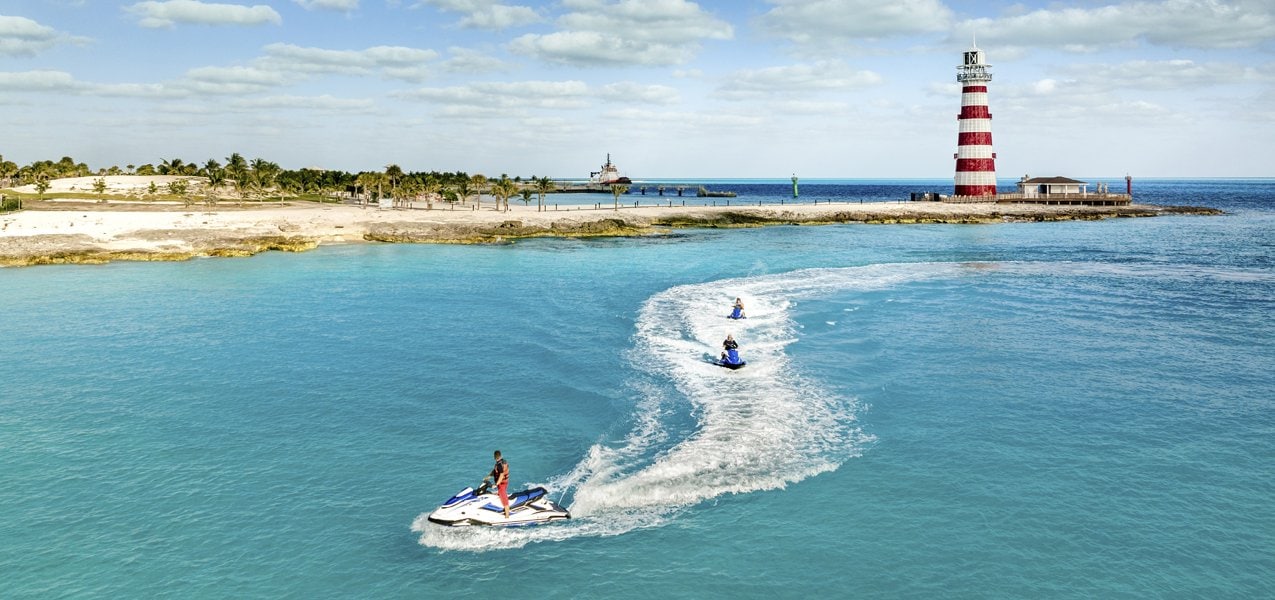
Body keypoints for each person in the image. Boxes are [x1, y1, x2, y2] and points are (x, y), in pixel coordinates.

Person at [483, 450, 510, 518]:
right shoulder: (502, 461)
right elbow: (495, 471)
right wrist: (488, 476)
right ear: (501, 456)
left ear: (494, 457)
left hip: (502, 483)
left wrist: (496, 484)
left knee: (504, 498)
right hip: (504, 482)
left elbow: (501, 474)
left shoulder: (499, 465)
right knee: (500, 493)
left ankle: (507, 515)